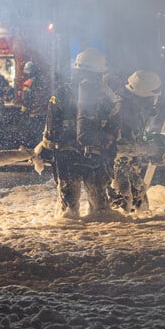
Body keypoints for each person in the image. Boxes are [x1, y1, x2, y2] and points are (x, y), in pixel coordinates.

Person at [41, 48, 120, 219]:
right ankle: (101, 242)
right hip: (94, 156)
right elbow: (114, 125)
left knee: (69, 209)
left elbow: (51, 126)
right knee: (100, 208)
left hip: (66, 156)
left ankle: (71, 243)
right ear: (97, 72)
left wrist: (47, 148)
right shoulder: (105, 94)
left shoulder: (61, 93)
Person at [109, 70, 162, 213]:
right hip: (119, 164)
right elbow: (120, 143)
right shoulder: (121, 109)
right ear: (142, 95)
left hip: (128, 163)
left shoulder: (133, 108)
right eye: (152, 97)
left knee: (138, 201)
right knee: (124, 201)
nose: (153, 101)